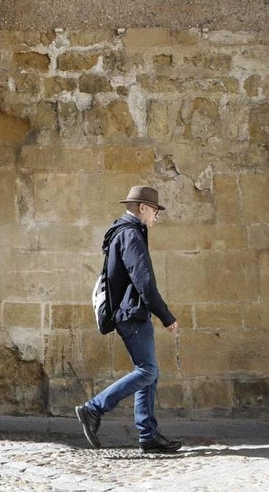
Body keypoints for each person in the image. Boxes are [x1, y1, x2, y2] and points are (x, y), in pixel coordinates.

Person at [76, 186, 183, 454]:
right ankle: (93, 409)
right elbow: (143, 281)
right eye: (155, 210)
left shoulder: (124, 231)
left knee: (149, 372)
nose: (157, 216)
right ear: (143, 208)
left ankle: (148, 435)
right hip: (131, 313)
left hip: (131, 312)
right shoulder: (131, 234)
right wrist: (165, 315)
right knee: (147, 371)